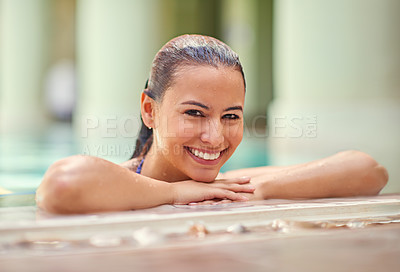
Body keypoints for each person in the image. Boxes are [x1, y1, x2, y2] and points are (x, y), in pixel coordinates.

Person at [36, 34, 388, 214]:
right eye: (194, 113)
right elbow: (64, 184)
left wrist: (260, 191)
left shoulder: (230, 184)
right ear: (149, 110)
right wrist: (175, 193)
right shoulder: (123, 180)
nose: (215, 137)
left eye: (231, 116)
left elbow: (368, 170)